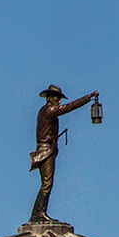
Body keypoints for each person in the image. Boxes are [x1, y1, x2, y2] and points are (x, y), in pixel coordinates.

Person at [30, 85, 98, 223]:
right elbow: (69, 107)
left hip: (49, 149)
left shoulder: (46, 111)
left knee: (47, 183)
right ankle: (38, 214)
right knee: (47, 183)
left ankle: (39, 213)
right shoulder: (49, 110)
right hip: (45, 150)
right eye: (58, 98)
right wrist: (87, 98)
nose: (59, 101)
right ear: (51, 98)